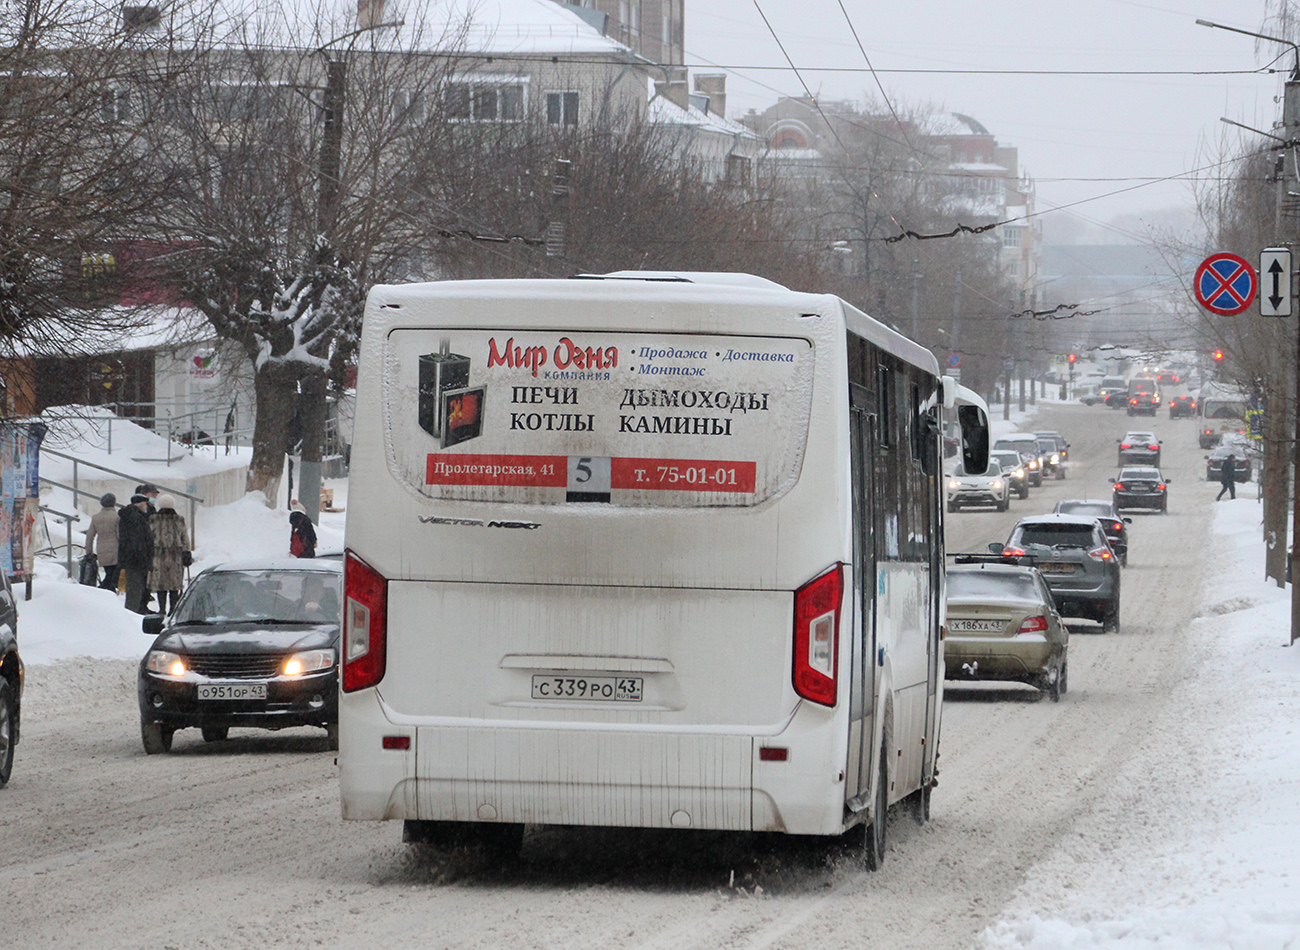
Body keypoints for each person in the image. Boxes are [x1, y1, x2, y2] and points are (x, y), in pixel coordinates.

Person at [148, 494, 191, 615]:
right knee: (174, 583)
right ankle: (173, 608)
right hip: (175, 555)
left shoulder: (153, 519)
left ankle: (162, 609)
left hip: (158, 555)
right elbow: (185, 537)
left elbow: (149, 536)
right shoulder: (179, 519)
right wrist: (186, 552)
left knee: (161, 583)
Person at [118, 494, 155, 613]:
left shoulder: (131, 516)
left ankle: (134, 613)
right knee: (135, 590)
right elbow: (138, 541)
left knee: (135, 590)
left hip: (131, 560)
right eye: (145, 503)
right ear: (141, 504)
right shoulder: (135, 518)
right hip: (136, 561)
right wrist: (144, 559)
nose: (147, 506)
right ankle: (132, 616)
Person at [84, 493, 121, 593]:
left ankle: (108, 591)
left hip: (101, 549)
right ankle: (104, 589)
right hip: (115, 549)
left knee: (109, 572)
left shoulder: (96, 517)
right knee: (112, 575)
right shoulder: (117, 517)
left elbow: (90, 536)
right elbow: (119, 534)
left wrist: (89, 551)